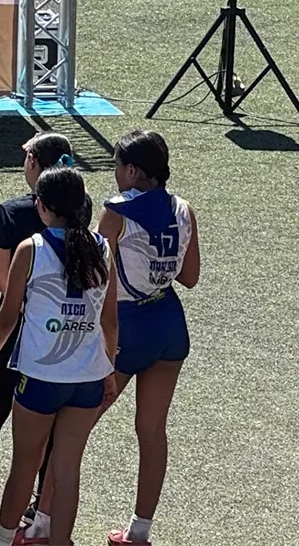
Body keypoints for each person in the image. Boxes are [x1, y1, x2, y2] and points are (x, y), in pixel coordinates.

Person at [0, 165, 117, 546]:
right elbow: (110, 320)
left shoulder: (32, 249)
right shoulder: (104, 248)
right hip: (87, 377)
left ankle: (3, 541)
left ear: (41, 206)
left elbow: (8, 315)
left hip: (41, 376)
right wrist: (108, 367)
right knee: (67, 469)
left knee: (24, 465)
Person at [0, 131, 77, 533]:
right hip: (62, 335)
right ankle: (37, 511)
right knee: (51, 427)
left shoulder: (10, 213)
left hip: (16, 332)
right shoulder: (81, 208)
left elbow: (0, 278)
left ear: (34, 162)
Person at [100, 130, 200, 546]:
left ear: (133, 170)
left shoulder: (116, 213)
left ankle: (45, 522)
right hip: (169, 324)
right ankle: (139, 532)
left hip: (125, 327)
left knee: (72, 429)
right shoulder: (184, 209)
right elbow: (190, 277)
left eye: (117, 168)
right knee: (153, 431)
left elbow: (93, 278)